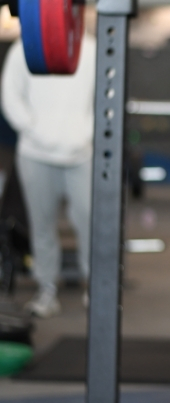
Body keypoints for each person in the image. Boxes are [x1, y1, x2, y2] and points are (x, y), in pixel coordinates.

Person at [1, 34, 96, 317]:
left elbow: (107, 95)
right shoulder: (24, 48)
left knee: (90, 225)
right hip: (35, 154)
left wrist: (86, 134)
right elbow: (9, 93)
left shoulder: (91, 49)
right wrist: (32, 128)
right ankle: (46, 291)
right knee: (41, 226)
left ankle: (95, 288)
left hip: (81, 154)